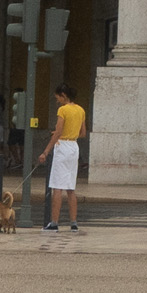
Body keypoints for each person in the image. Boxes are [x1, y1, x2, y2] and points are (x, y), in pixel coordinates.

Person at [33, 84, 85, 237]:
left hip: (62, 146)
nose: (57, 101)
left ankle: (54, 222)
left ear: (63, 95)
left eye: (58, 98)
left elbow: (59, 132)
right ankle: (73, 223)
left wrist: (46, 151)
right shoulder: (80, 110)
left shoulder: (63, 110)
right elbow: (82, 133)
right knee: (70, 187)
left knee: (57, 187)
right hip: (74, 146)